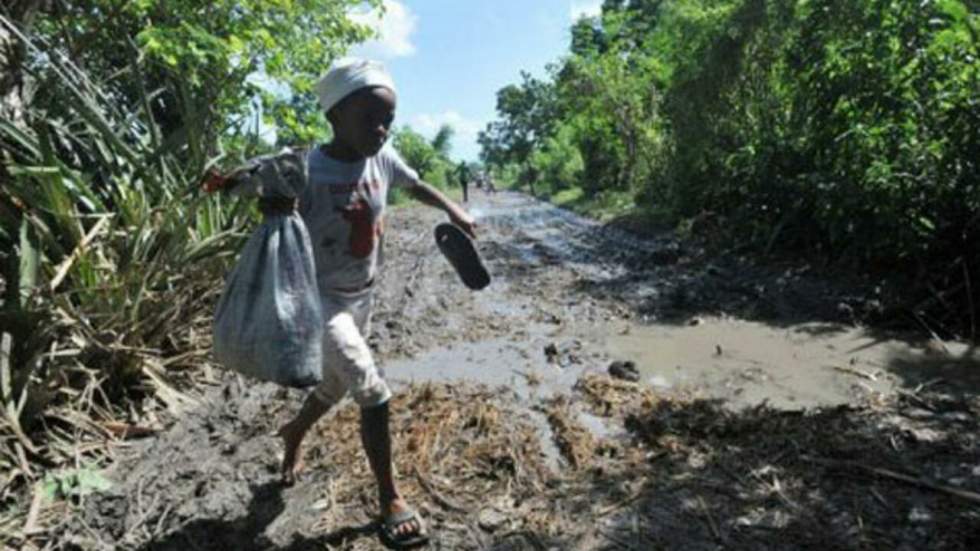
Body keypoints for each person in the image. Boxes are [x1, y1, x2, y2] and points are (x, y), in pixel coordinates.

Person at [263, 59, 476, 549]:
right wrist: (274, 202)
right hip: (319, 301)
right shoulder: (308, 168)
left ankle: (293, 432)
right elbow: (274, 214)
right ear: (335, 115)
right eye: (369, 120)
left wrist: (453, 208)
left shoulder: (382, 161)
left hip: (363, 296)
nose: (380, 130)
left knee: (337, 385)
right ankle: (391, 499)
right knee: (372, 389)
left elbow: (414, 185)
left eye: (388, 122)